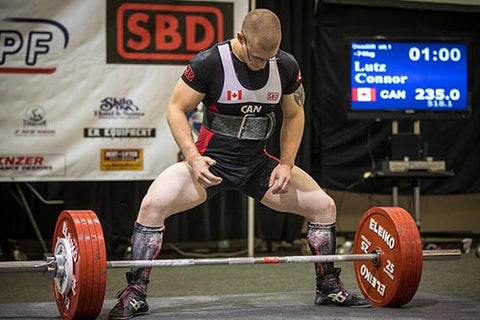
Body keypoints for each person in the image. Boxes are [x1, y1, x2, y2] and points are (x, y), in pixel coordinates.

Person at [109, 8, 371, 319]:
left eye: (269, 57)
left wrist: (286, 164)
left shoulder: (284, 65)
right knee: (152, 205)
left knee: (323, 206)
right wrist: (192, 157)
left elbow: (294, 114)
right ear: (241, 38)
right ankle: (136, 293)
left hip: (257, 166)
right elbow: (175, 109)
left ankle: (327, 286)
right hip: (211, 165)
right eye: (257, 56)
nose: (262, 63)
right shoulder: (209, 62)